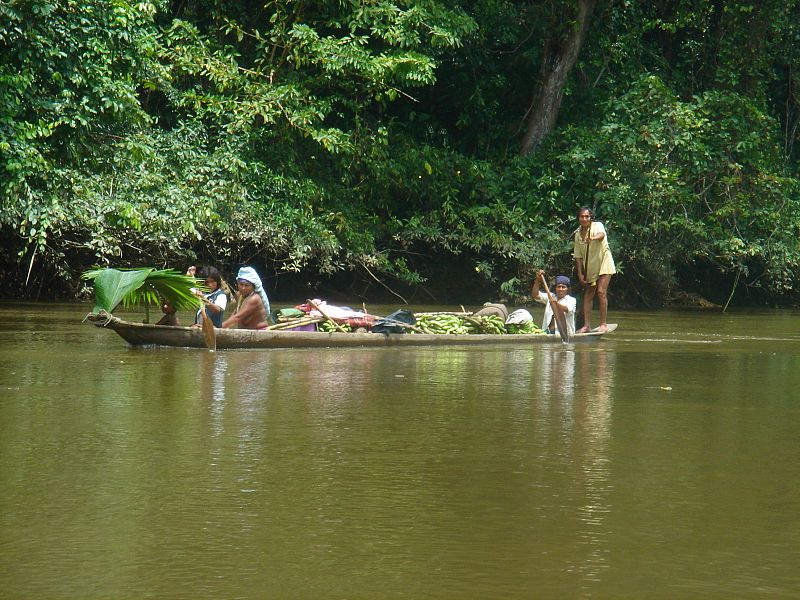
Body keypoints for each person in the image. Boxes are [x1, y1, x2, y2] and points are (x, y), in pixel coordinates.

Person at [573, 206, 616, 333]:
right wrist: (580, 273)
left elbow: (602, 235)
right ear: (578, 218)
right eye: (582, 216)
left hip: (604, 262)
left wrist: (592, 238)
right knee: (589, 294)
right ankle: (586, 325)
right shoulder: (577, 234)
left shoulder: (597, 225)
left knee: (601, 291)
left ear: (591, 217)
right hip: (591, 266)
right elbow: (578, 256)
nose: (584, 219)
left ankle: (603, 324)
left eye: (587, 216)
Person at [531, 270, 576, 337]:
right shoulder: (551, 296)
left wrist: (554, 303)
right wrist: (538, 280)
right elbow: (535, 295)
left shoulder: (571, 300)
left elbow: (567, 309)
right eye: (558, 286)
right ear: (556, 288)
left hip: (564, 334)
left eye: (563, 287)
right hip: (547, 333)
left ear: (568, 289)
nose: (560, 289)